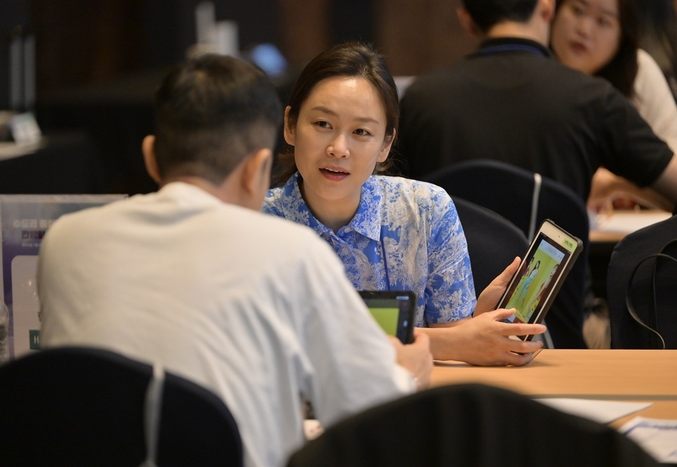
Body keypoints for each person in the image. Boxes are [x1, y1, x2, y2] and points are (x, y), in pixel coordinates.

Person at [37, 53, 433, 467]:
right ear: (256, 170)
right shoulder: (291, 253)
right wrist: (406, 373)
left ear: (151, 156)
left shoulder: (65, 241)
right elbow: (370, 417)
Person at [262, 41, 546, 367]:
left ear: (385, 144)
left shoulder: (427, 211)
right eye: (323, 124)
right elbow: (276, 349)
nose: (339, 148)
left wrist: (476, 324)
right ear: (290, 125)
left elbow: (458, 346)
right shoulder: (255, 223)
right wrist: (451, 341)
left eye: (361, 131)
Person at [398, 0, 677, 207]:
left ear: (467, 20)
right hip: (557, 285)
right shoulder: (593, 99)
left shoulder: (420, 99)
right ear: (547, 9)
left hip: (452, 287)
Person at [550, 0, 677, 211]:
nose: (585, 30)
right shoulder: (529, 77)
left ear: (622, 35)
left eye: (603, 21)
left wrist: (614, 182)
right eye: (577, 11)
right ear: (551, 11)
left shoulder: (638, 72)